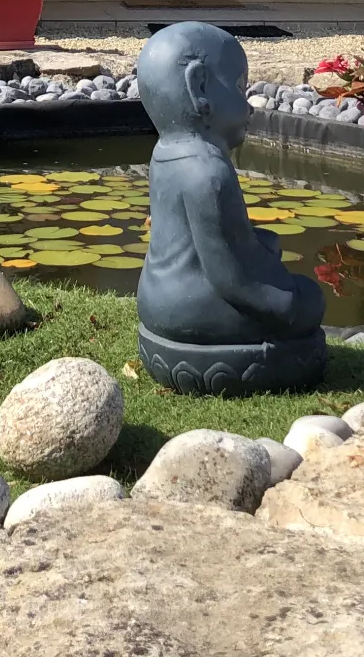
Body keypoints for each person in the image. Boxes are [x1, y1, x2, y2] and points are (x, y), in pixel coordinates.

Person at [134, 23, 326, 392]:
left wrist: (258, 245)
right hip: (193, 312)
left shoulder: (165, 153)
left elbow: (196, 244)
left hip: (157, 303)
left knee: (269, 250)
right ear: (199, 87)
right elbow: (232, 278)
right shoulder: (207, 170)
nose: (249, 104)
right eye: (240, 88)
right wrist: (287, 304)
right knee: (310, 297)